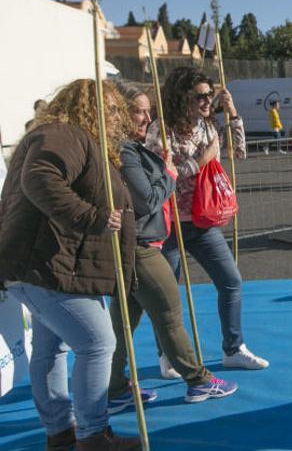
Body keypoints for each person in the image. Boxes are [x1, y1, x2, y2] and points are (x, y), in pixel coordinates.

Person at [0, 79, 142, 450]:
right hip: (48, 265)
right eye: (112, 111)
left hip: (41, 264)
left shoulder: (62, 135)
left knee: (52, 347)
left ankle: (60, 432)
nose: (117, 119)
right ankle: (93, 435)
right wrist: (91, 217)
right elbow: (41, 180)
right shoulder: (67, 134)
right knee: (97, 343)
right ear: (92, 108)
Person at [107, 81, 237, 414]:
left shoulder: (132, 147)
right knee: (169, 317)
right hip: (142, 246)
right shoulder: (125, 150)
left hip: (140, 243)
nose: (146, 117)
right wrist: (168, 171)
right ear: (121, 113)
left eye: (148, 109)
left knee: (123, 325)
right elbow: (149, 198)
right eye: (138, 110)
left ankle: (115, 388)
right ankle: (198, 380)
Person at [146, 66, 269, 370]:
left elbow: (238, 153)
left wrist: (234, 114)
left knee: (231, 281)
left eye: (209, 95)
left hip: (202, 220)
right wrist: (200, 161)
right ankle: (167, 355)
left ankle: (233, 348)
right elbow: (160, 179)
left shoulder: (208, 126)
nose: (206, 101)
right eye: (200, 96)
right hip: (170, 223)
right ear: (181, 97)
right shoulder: (160, 130)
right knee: (168, 296)